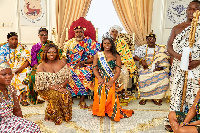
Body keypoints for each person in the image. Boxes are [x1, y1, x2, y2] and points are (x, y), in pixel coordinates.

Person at [167, 0, 200, 112]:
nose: (191, 11)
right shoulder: (177, 28)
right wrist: (179, 56)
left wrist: (198, 61)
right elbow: (169, 47)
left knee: (194, 93)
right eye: (189, 8)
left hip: (196, 67)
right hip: (179, 65)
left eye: (195, 9)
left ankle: (191, 120)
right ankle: (174, 118)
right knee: (177, 93)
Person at [92, 34, 134, 121]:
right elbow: (95, 69)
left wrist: (111, 81)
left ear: (112, 44)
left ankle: (110, 110)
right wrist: (99, 78)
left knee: (110, 91)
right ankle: (100, 110)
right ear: (102, 44)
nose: (107, 45)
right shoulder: (98, 55)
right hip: (100, 77)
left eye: (109, 43)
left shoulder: (116, 56)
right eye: (105, 43)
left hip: (112, 78)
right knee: (100, 89)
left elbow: (118, 72)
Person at [62, 26, 100, 109]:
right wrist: (65, 66)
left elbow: (96, 56)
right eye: (77, 32)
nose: (79, 34)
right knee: (68, 72)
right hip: (71, 64)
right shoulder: (69, 43)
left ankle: (82, 99)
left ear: (83, 33)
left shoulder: (89, 42)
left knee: (85, 73)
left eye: (81, 32)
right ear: (74, 33)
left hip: (85, 64)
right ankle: (70, 97)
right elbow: (64, 56)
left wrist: (83, 62)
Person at [35, 43, 72, 125]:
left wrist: (61, 86)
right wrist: (56, 88)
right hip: (46, 89)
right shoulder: (41, 66)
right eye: (49, 52)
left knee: (66, 93)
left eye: (54, 52)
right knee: (55, 94)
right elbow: (41, 84)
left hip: (60, 86)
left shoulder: (61, 63)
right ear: (45, 53)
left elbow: (67, 77)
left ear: (57, 53)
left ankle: (64, 114)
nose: (52, 54)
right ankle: (53, 115)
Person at [0, 59, 41, 132]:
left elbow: (17, 111)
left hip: (10, 119)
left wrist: (22, 123)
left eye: (10, 74)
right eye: (4, 74)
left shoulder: (11, 89)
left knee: (35, 128)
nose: (8, 77)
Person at [133, 31, 170, 105]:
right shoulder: (142, 48)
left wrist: (160, 67)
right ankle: (144, 97)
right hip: (145, 68)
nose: (151, 40)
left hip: (158, 68)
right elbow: (134, 55)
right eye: (149, 39)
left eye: (152, 39)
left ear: (155, 40)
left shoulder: (160, 49)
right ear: (146, 40)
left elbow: (165, 58)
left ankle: (156, 97)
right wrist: (141, 60)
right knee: (143, 76)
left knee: (164, 77)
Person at [0, 32, 31, 106]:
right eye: (12, 39)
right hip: (8, 69)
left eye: (16, 39)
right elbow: (1, 61)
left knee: (27, 74)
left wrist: (20, 69)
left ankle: (24, 98)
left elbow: (28, 59)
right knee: (7, 77)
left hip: (21, 68)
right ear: (8, 40)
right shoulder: (3, 48)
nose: (14, 41)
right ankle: (11, 98)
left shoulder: (23, 47)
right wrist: (9, 71)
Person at [109, 25, 137, 100]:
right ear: (109, 32)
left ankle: (123, 91)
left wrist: (121, 62)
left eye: (116, 32)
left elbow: (127, 53)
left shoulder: (122, 42)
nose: (114, 33)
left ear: (118, 34)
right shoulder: (106, 42)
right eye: (112, 31)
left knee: (124, 71)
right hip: (108, 64)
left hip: (121, 62)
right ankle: (111, 92)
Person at [29, 27, 50, 105]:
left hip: (49, 67)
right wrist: (38, 67)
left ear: (47, 36)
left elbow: (55, 57)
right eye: (41, 35)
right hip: (37, 67)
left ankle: (49, 98)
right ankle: (34, 98)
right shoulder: (35, 47)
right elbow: (33, 59)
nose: (43, 36)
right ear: (39, 36)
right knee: (32, 77)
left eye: (45, 35)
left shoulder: (51, 45)